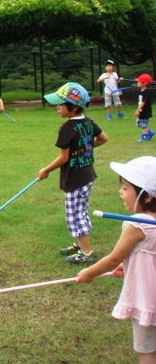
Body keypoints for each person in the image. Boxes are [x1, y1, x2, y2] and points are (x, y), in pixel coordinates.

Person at [76, 156, 156, 364]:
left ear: (146, 197)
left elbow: (113, 258)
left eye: (126, 188)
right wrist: (128, 264)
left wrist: (89, 273)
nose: (121, 192)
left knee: (146, 351)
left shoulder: (138, 226)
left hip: (147, 299)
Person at [38, 82, 108, 263]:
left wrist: (46, 170)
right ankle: (80, 243)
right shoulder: (88, 122)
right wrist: (85, 149)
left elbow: (64, 158)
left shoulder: (67, 128)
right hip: (88, 175)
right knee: (81, 211)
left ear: (74, 107)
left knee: (75, 216)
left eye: (61, 104)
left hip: (76, 179)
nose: (57, 108)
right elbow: (103, 138)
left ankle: (86, 252)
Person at [135, 74, 154, 142]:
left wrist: (138, 110)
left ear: (144, 84)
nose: (137, 82)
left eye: (139, 81)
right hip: (142, 110)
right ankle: (150, 132)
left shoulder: (145, 93)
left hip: (145, 111)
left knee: (143, 124)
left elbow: (143, 102)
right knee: (139, 123)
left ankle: (145, 136)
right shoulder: (142, 92)